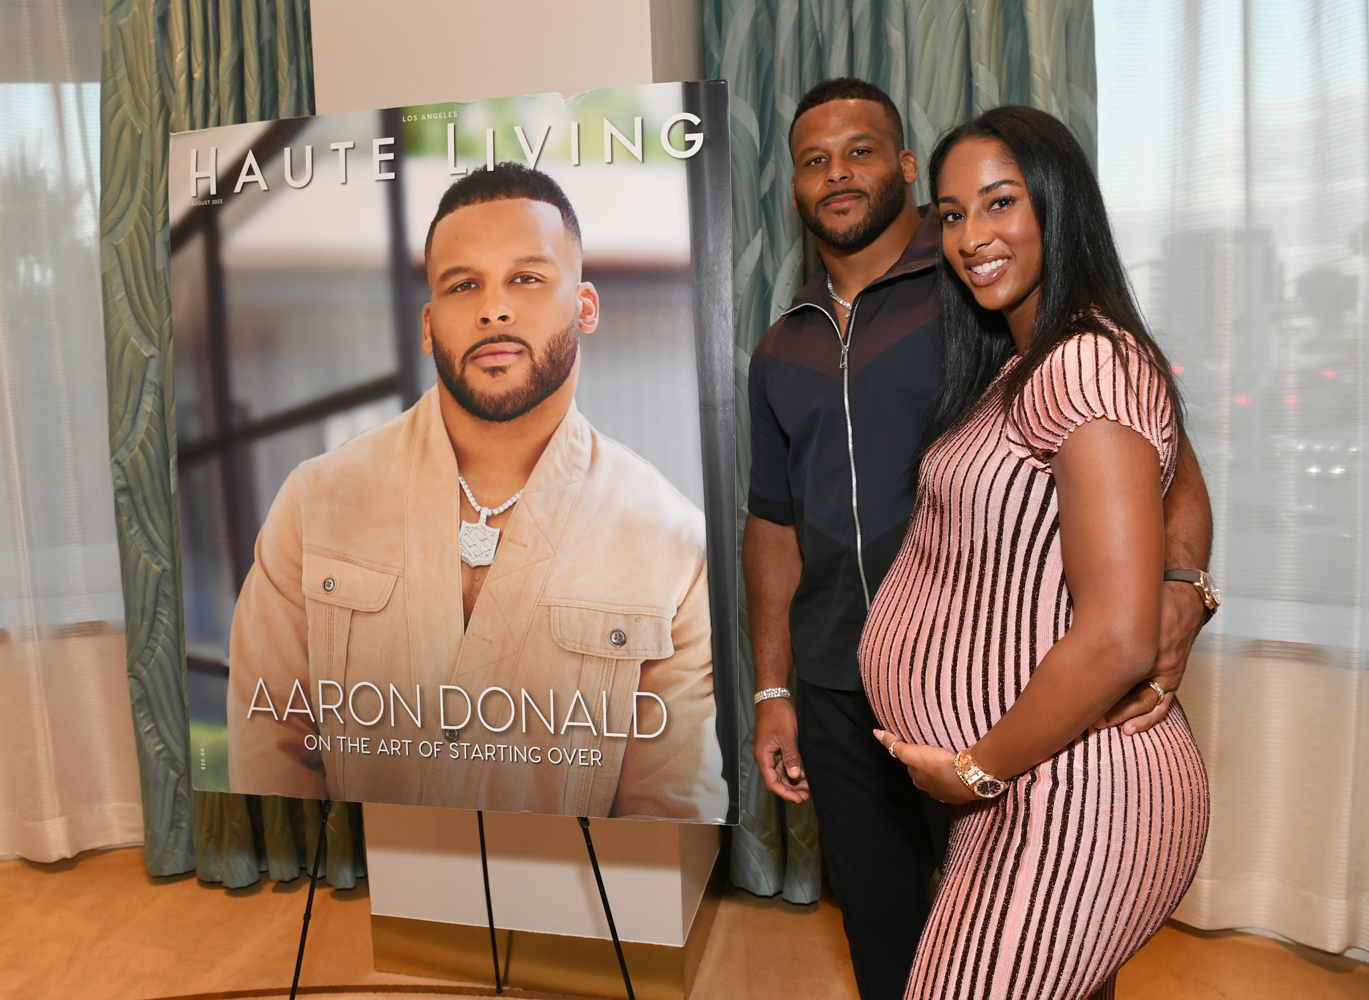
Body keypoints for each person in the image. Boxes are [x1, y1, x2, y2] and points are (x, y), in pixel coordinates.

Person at [744, 79, 1217, 999]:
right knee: (887, 932)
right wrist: (773, 685)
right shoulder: (784, 346)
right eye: (814, 160)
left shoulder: (985, 299)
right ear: (793, 185)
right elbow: (769, 522)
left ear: (904, 167)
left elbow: (1169, 462)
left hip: (1025, 728)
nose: (838, 174)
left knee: (1033, 947)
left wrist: (1181, 587)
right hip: (845, 695)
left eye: (861, 150)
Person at [227, 163, 727, 822]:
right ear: (430, 324)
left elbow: (670, 801)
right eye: (464, 285)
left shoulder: (668, 542)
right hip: (361, 896)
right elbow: (270, 745)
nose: (493, 307)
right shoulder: (317, 500)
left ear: (583, 307)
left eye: (526, 278)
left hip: (571, 906)